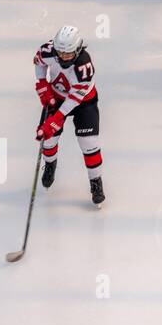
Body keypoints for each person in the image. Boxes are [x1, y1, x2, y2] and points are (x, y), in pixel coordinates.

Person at [33, 25, 105, 206]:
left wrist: (56, 119)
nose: (63, 57)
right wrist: (42, 84)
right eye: (60, 52)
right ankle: (50, 164)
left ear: (78, 49)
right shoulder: (49, 51)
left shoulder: (84, 66)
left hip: (83, 102)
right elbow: (38, 62)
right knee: (49, 140)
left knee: (89, 143)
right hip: (57, 98)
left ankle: (96, 182)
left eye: (68, 53)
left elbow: (74, 99)